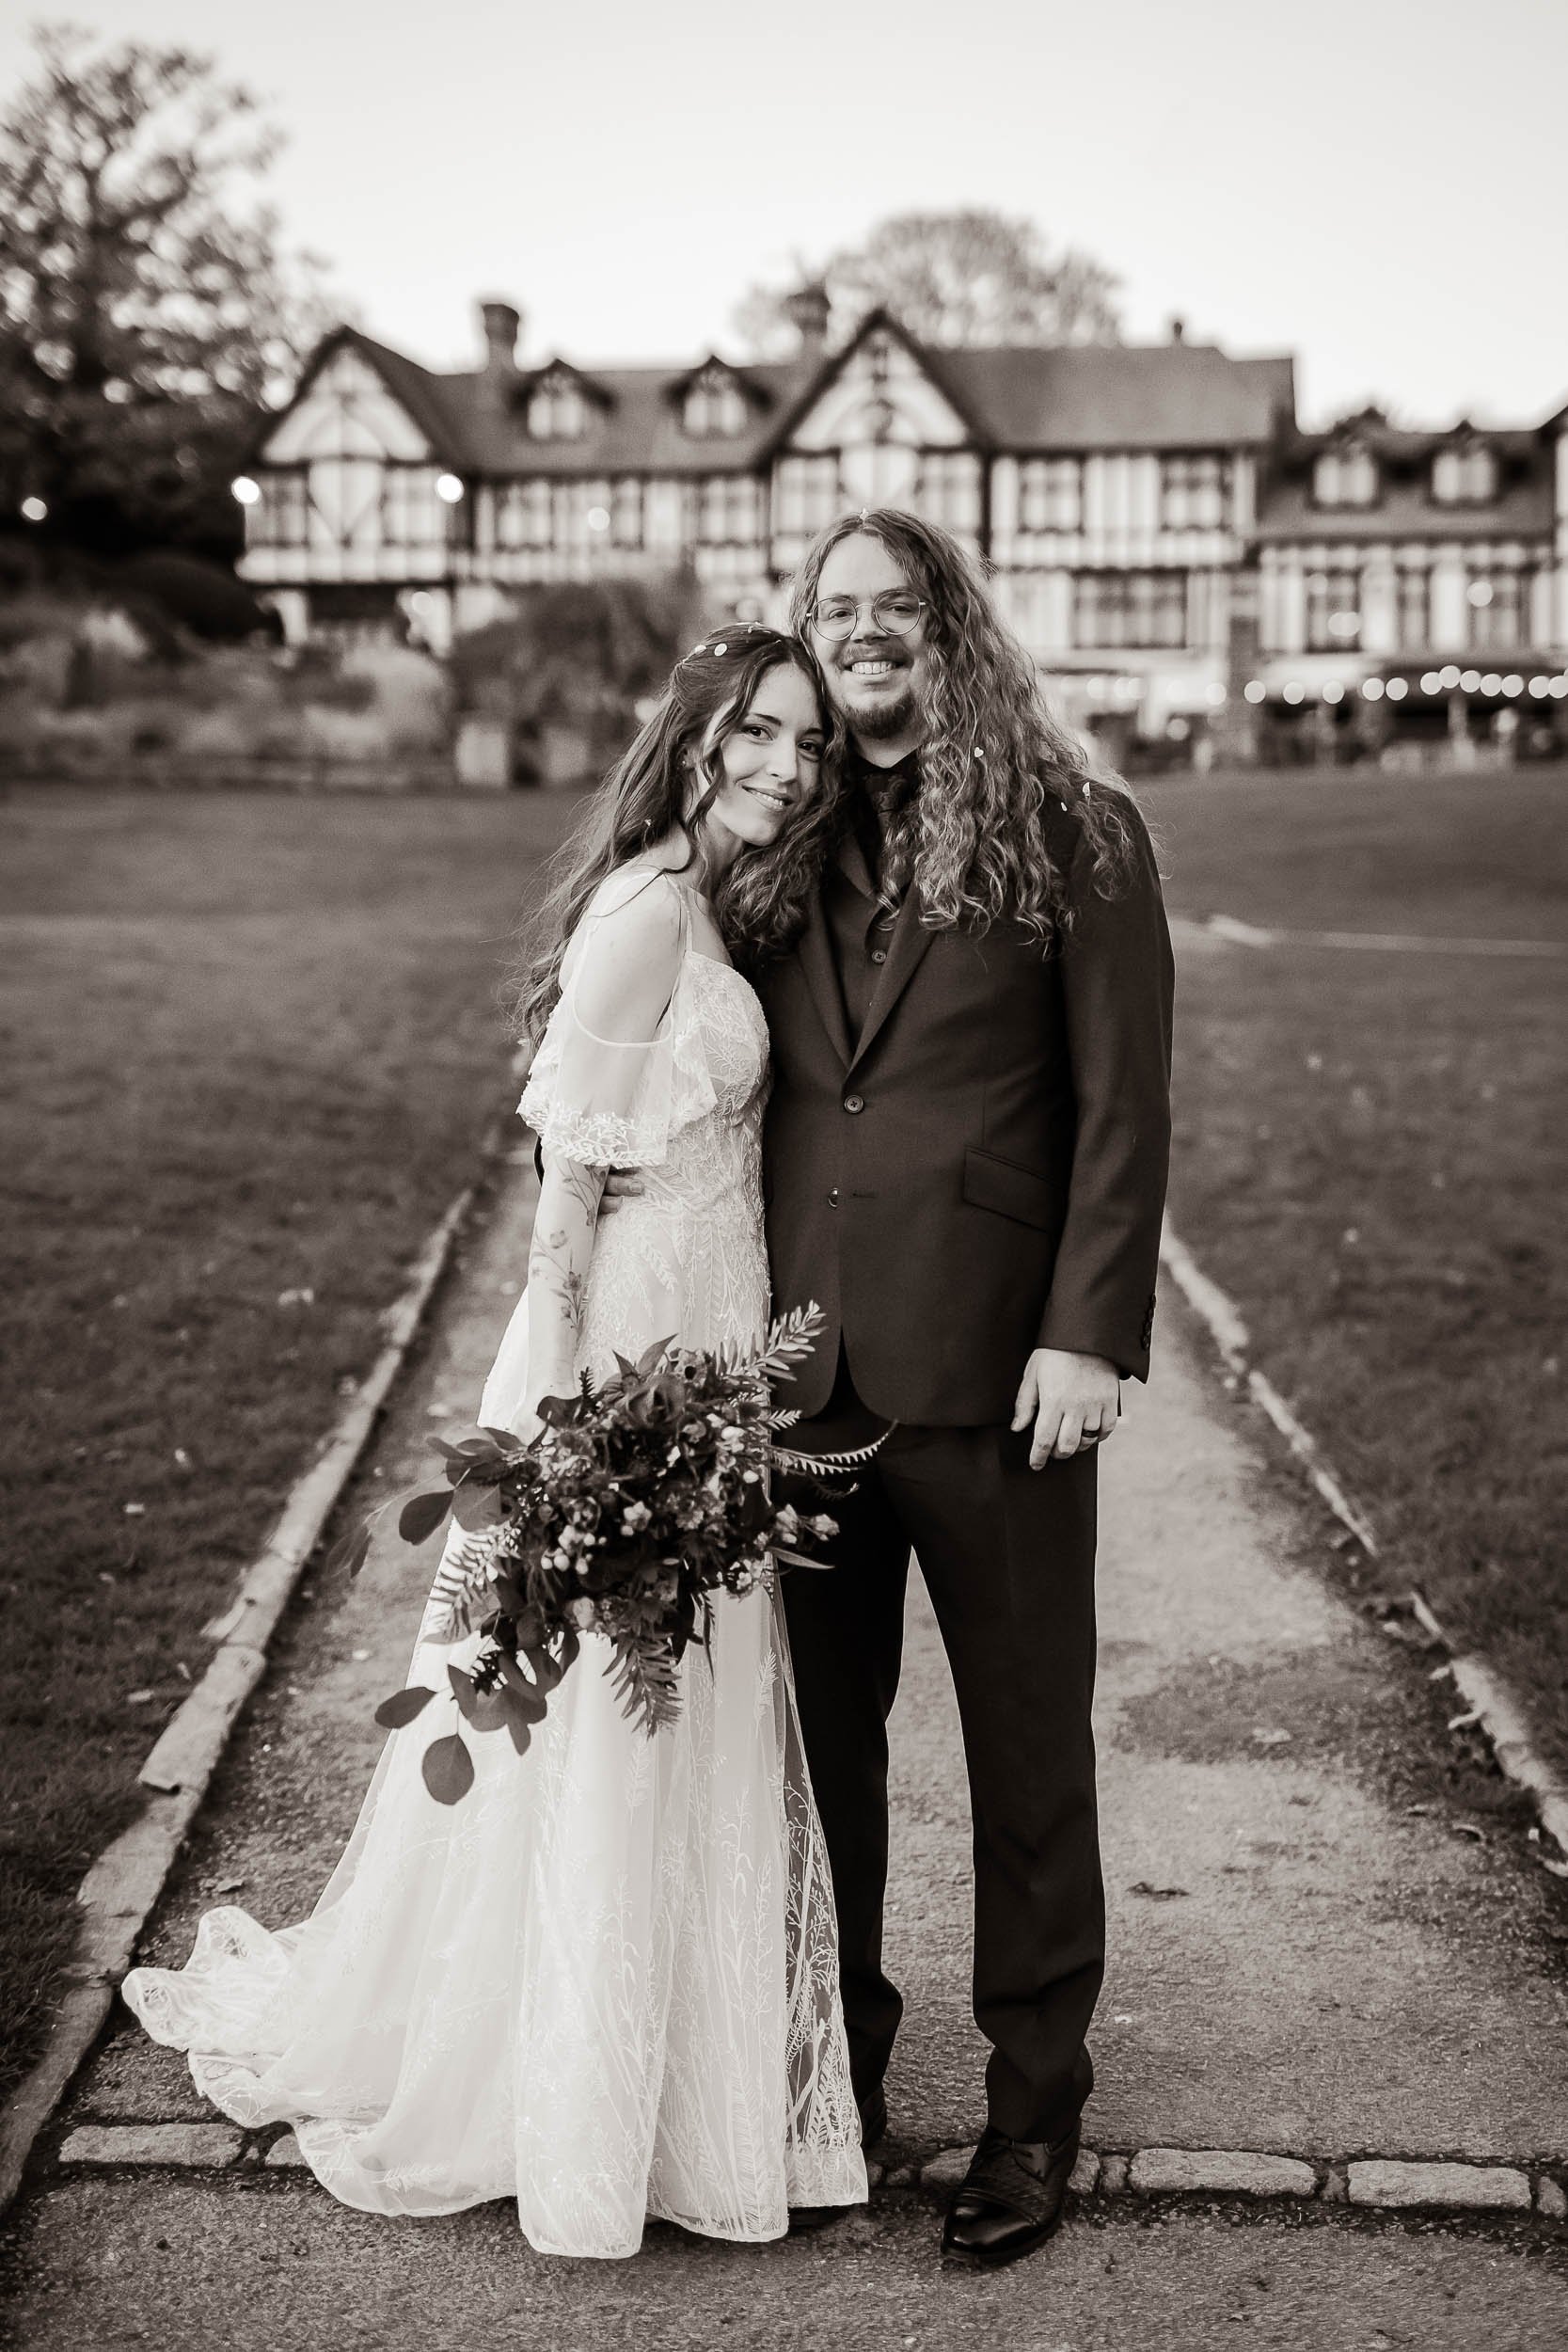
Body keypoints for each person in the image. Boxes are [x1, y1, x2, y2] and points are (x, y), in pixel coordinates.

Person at [121, 626, 869, 2259]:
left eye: (807, 747)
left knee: (683, 1720)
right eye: (759, 735)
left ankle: (679, 2083)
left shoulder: (705, 904)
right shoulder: (640, 915)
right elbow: (566, 1199)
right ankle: (587, 2113)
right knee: (609, 1721)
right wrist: (586, 1432)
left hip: (710, 1337)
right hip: (634, 1356)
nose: (786, 769)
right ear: (694, 736)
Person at [758, 510, 1174, 2264]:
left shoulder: (1075, 831)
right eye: (833, 611)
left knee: (1025, 1760)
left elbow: (1121, 1106)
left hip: (1006, 1381)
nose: (862, 635)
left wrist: (1089, 1330)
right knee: (809, 1767)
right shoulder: (773, 833)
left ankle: (1030, 2112)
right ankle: (832, 2078)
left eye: (893, 607)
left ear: (950, 625)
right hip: (799, 1379)